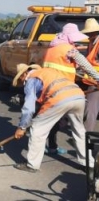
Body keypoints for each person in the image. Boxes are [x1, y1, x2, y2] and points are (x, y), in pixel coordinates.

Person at [12, 63, 93, 173]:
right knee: (79, 131)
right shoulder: (48, 72)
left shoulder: (31, 80)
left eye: (21, 80)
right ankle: (89, 165)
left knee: (37, 129)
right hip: (78, 96)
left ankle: (32, 165)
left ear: (23, 75)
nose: (22, 83)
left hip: (58, 99)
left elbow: (29, 108)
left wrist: (22, 127)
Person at [42, 23, 99, 154]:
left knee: (51, 121)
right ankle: (87, 161)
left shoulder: (51, 48)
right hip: (65, 91)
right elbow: (86, 65)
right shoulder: (70, 49)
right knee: (78, 127)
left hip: (50, 90)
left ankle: (50, 147)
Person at [81, 18, 99, 132]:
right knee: (89, 107)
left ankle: (87, 136)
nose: (87, 35)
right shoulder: (92, 42)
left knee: (91, 108)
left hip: (96, 81)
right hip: (92, 80)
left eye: (88, 33)